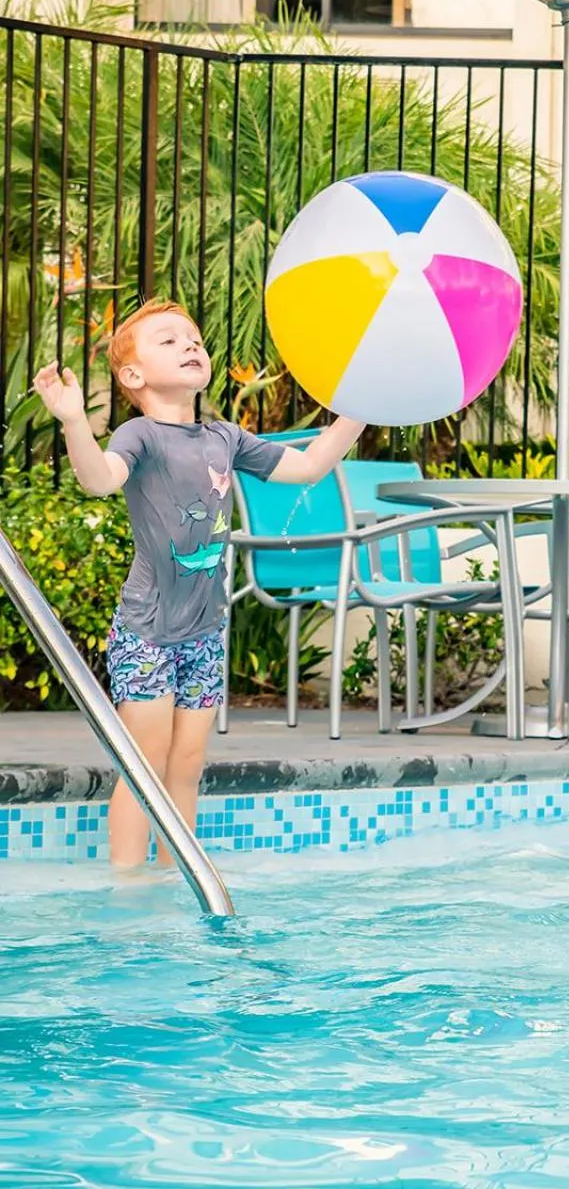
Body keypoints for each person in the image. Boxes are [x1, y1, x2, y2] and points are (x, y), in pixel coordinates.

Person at [33, 299, 365, 869]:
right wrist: (71, 423)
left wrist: (362, 407)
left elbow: (308, 468)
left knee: (186, 763)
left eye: (193, 338)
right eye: (169, 340)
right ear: (133, 376)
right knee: (145, 762)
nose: (190, 345)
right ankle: (130, 887)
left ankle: (175, 878)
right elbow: (98, 481)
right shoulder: (140, 436)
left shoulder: (225, 438)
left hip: (205, 630)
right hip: (149, 631)